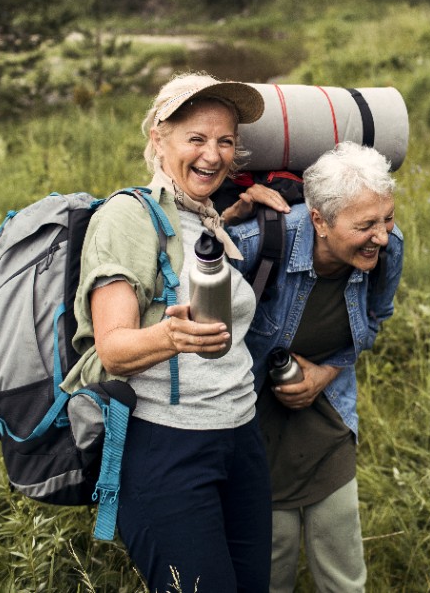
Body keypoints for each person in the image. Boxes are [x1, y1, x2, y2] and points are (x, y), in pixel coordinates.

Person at [62, 71, 274, 593]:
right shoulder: (126, 218)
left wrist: (239, 212)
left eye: (226, 141)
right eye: (196, 139)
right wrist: (172, 338)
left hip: (240, 437)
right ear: (159, 138)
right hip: (168, 448)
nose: (214, 155)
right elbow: (112, 349)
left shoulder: (205, 218)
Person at [228, 141, 404, 593]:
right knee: (271, 563)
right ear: (319, 220)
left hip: (326, 415)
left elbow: (375, 320)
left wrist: (326, 373)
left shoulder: (387, 250)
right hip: (250, 422)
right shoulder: (256, 244)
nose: (382, 236)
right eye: (366, 225)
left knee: (343, 571)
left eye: (387, 218)